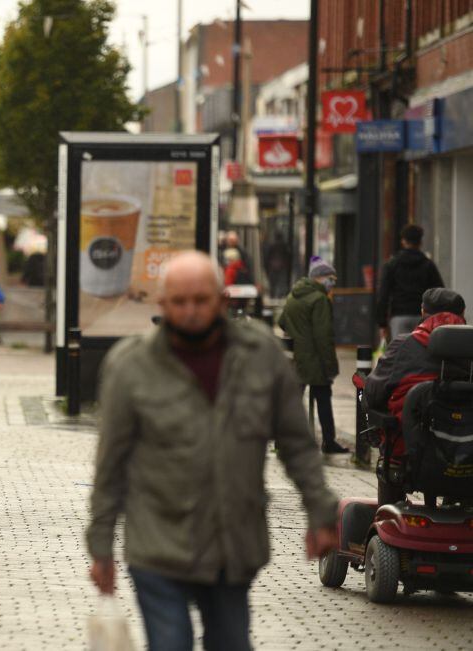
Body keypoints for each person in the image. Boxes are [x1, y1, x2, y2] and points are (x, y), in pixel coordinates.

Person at [87, 251, 338, 651]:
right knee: (171, 644)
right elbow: (110, 463)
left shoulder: (261, 356)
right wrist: (100, 545)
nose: (190, 312)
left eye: (201, 300)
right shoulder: (130, 367)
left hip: (232, 542)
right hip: (158, 543)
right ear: (162, 304)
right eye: (179, 302)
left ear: (222, 300)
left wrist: (320, 510)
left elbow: (298, 443)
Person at [365, 288, 468, 449]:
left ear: (423, 311)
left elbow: (374, 392)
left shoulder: (403, 345)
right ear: (462, 314)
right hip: (466, 451)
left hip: (409, 448)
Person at [278, 258, 348, 454]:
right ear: (319, 278)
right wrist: (330, 366)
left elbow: (282, 321)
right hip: (315, 359)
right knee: (323, 399)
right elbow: (323, 336)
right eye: (330, 278)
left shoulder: (293, 296)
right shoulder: (320, 300)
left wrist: (298, 334)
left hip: (296, 358)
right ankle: (329, 441)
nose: (332, 282)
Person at [377, 224, 445, 340]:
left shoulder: (392, 264)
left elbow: (383, 294)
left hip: (399, 317)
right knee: (421, 353)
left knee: (400, 353)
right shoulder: (428, 265)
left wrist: (382, 323)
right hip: (422, 317)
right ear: (420, 242)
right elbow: (439, 292)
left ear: (403, 241)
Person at [263, 232, 292, 299]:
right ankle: (280, 294)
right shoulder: (284, 245)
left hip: (273, 265)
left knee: (273, 281)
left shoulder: (272, 245)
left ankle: (272, 294)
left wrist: (267, 265)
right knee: (280, 281)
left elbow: (268, 256)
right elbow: (288, 255)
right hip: (281, 265)